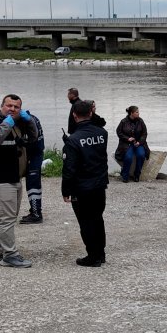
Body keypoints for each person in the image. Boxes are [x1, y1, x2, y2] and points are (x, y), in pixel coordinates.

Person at [0, 94, 36, 268]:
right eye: (8, 105)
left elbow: (33, 138)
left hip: (13, 178)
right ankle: (10, 255)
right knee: (7, 218)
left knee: (5, 217)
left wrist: (30, 120)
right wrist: (8, 123)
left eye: (16, 107)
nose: (12, 109)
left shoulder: (18, 125)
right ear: (1, 106)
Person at [62, 99, 110, 267]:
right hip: (99, 184)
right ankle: (101, 253)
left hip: (81, 188)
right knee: (97, 219)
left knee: (86, 222)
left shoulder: (73, 140)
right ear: (91, 113)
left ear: (74, 116)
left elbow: (69, 169)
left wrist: (65, 190)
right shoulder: (102, 134)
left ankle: (92, 256)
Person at [19, 108, 45, 224]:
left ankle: (36, 214)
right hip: (37, 154)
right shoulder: (33, 118)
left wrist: (21, 143)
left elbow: (32, 141)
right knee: (33, 184)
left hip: (34, 155)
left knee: (32, 184)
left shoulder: (28, 122)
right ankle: (35, 211)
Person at [114, 105, 149, 182]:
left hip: (139, 143)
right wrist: (127, 138)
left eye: (138, 112)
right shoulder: (123, 121)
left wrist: (139, 142)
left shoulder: (141, 121)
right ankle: (125, 176)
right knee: (128, 157)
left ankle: (137, 175)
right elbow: (119, 132)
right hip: (127, 144)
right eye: (137, 112)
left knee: (141, 155)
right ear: (131, 113)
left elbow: (144, 133)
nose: (138, 113)